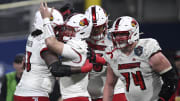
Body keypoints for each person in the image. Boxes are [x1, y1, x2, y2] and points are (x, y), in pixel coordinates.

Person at [14, 6, 93, 101]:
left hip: (24, 91)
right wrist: (82, 69)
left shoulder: (34, 35)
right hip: (34, 94)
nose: (60, 31)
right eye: (56, 28)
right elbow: (56, 69)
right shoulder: (45, 43)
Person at [103, 16, 178, 101]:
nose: (118, 37)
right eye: (116, 34)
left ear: (133, 33)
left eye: (123, 33)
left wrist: (162, 99)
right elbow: (110, 85)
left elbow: (171, 79)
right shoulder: (113, 55)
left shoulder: (147, 49)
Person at [40, 2, 96, 101]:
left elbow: (50, 42)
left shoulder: (77, 47)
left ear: (81, 31)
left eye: (70, 30)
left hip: (76, 98)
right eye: (66, 28)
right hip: (74, 97)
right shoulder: (79, 45)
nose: (66, 31)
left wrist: (46, 20)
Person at [85, 5, 127, 101]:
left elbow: (123, 62)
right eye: (93, 27)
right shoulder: (80, 39)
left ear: (106, 24)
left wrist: (98, 59)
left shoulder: (115, 38)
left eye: (98, 27)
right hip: (90, 94)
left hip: (115, 91)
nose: (95, 30)